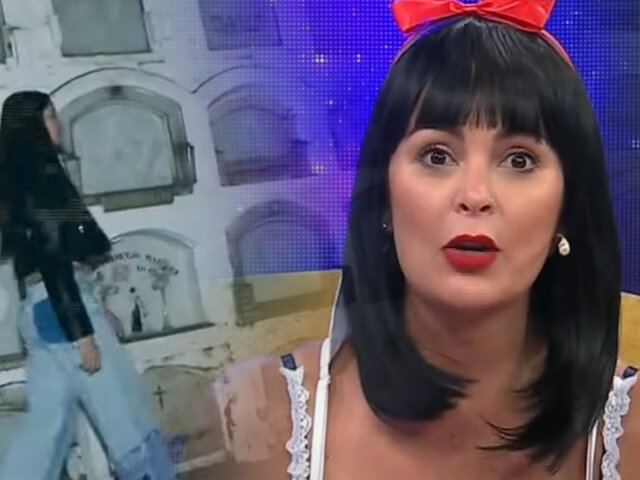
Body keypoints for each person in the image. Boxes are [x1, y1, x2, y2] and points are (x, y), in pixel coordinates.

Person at [200, 0, 640, 479]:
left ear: (568, 209)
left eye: (519, 160)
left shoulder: (632, 431)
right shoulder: (254, 418)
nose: (475, 196)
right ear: (383, 198)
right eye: (436, 155)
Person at [0, 90, 176, 480]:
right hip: (63, 310)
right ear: (32, 126)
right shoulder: (42, 177)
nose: (57, 123)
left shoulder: (17, 178)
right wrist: (82, 330)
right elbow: (53, 258)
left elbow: (40, 265)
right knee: (127, 422)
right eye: (49, 115)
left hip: (41, 312)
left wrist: (89, 310)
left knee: (43, 435)